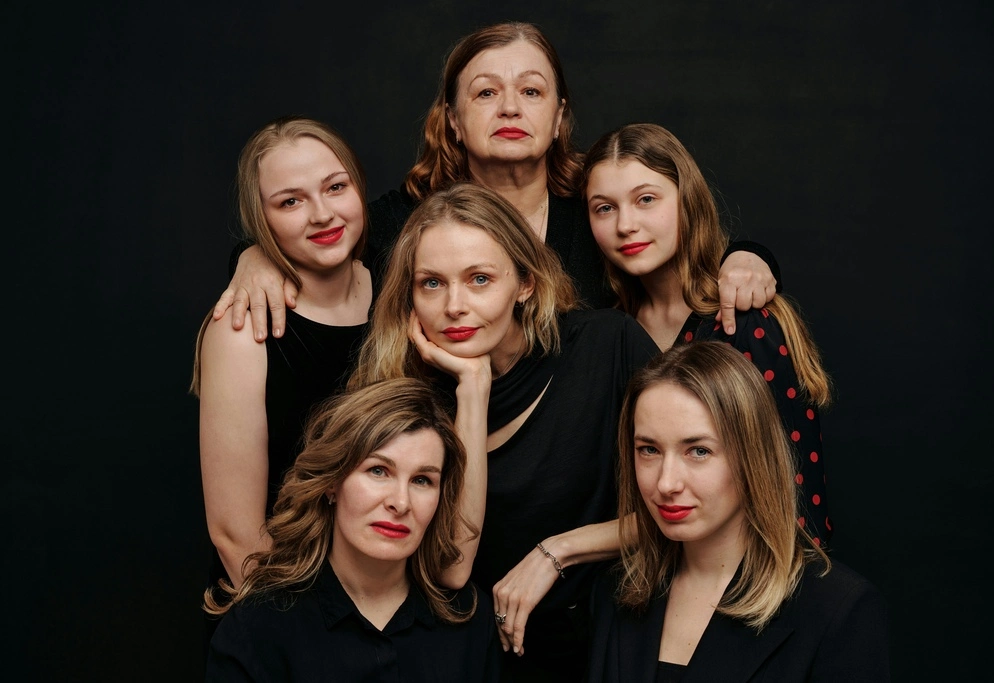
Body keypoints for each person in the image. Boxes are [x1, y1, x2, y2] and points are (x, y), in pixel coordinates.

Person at [213, 21, 780, 342]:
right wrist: (255, 256)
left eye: (531, 91)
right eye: (486, 92)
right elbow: (318, 239)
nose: (510, 106)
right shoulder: (407, 218)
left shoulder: (599, 206)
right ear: (454, 121)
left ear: (559, 117)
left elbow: (687, 248)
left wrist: (750, 256)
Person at [347, 181, 662, 681]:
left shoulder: (607, 347)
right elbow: (451, 567)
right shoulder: (403, 398)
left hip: (620, 642)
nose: (453, 306)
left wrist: (558, 550)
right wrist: (473, 389)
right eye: (431, 283)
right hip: (482, 659)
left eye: (479, 279)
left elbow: (694, 504)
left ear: (524, 283)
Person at [582, 123, 833, 546]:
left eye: (646, 199)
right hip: (634, 589)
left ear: (687, 201)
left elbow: (794, 499)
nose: (626, 224)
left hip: (747, 591)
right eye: (604, 208)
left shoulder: (743, 322)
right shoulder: (606, 332)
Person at [587, 341, 890, 682]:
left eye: (698, 451)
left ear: (752, 457)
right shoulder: (615, 592)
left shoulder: (837, 611)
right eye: (649, 449)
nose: (666, 483)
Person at [189, 116, 372, 635]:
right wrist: (324, 641)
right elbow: (234, 533)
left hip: (387, 606)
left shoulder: (398, 282)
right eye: (290, 201)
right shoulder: (242, 330)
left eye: (336, 187)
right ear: (261, 220)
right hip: (282, 611)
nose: (323, 214)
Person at [205, 377, 501, 682]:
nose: (401, 503)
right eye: (378, 471)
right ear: (332, 483)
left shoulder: (468, 619)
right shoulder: (259, 627)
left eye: (422, 480)